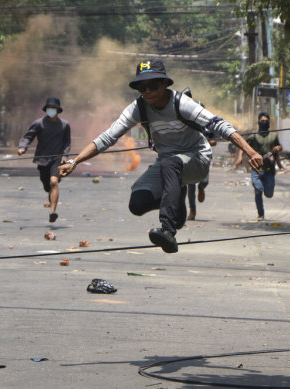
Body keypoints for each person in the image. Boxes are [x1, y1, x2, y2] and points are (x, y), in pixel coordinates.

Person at [58, 59, 262, 253]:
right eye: (141, 87)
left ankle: (168, 232)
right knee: (137, 204)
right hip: (168, 164)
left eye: (152, 85)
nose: (147, 92)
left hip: (196, 160)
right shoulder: (138, 108)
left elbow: (221, 125)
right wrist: (74, 161)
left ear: (164, 83)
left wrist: (251, 152)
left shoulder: (181, 103)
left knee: (171, 164)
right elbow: (108, 137)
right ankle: (176, 200)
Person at [18, 97, 71, 223]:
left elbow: (67, 142)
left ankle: (52, 212)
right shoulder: (39, 123)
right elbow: (28, 136)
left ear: (58, 110)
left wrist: (65, 155)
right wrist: (22, 147)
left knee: (54, 182)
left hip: (57, 159)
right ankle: (51, 196)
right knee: (47, 186)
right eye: (49, 108)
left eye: (53, 108)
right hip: (42, 159)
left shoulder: (64, 125)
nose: (51, 110)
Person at [234, 112, 282, 221]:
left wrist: (278, 149)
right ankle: (261, 213)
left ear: (269, 122)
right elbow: (243, 146)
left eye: (266, 121)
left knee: (269, 194)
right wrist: (240, 157)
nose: (264, 123)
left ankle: (266, 190)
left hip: (269, 170)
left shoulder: (273, 136)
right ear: (259, 122)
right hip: (257, 169)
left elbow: (279, 147)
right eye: (262, 121)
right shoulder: (253, 137)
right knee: (258, 190)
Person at [187, 137, 216, 221]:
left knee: (205, 181)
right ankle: (192, 210)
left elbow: (214, 142)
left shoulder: (205, 126)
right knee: (191, 185)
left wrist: (202, 143)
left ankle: (201, 187)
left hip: (204, 156)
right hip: (190, 156)